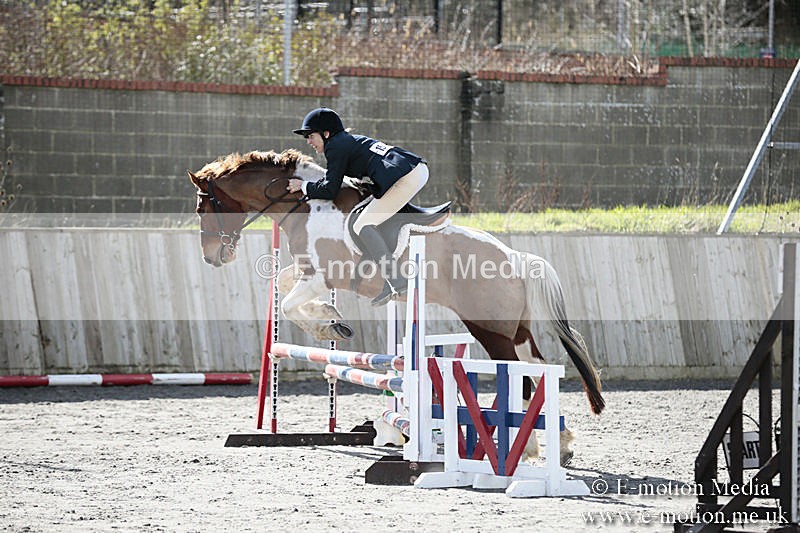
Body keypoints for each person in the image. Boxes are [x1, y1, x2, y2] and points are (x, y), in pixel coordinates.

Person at [287, 107, 429, 306]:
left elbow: (329, 190)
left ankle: (397, 280)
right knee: (369, 218)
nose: (308, 142)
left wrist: (303, 186)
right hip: (409, 171)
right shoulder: (341, 141)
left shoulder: (334, 146)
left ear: (326, 133)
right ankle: (388, 279)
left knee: (362, 225)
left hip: (406, 177)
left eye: (311, 136)